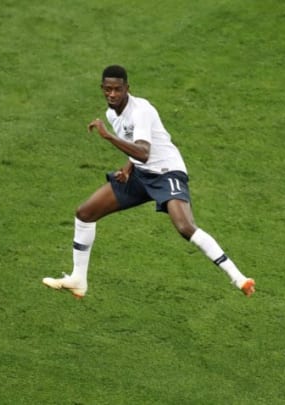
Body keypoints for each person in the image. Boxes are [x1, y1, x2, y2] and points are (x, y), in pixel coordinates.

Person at [42, 65, 255, 298]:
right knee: (85, 213)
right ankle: (78, 279)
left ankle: (239, 278)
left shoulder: (141, 110)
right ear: (102, 88)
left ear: (127, 89)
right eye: (107, 89)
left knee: (185, 227)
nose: (112, 94)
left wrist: (108, 137)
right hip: (140, 175)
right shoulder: (112, 113)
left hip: (167, 173)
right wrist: (127, 168)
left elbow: (144, 151)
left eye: (117, 89)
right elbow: (136, 149)